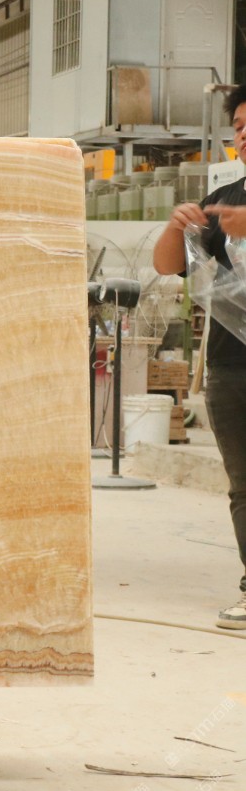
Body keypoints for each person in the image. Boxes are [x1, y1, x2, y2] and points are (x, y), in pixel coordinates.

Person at [154, 84, 246, 629]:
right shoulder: (227, 199)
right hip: (232, 365)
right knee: (244, 484)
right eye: (239, 127)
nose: (244, 135)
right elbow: (169, 266)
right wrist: (177, 227)